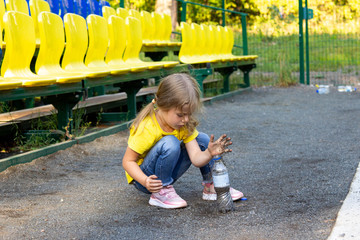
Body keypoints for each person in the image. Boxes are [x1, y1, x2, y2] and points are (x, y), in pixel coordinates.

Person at [122, 73, 244, 209]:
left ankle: (211, 186)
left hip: (166, 172)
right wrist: (145, 181)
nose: (185, 119)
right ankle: (161, 192)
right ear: (162, 106)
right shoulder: (147, 127)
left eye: (189, 114)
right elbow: (128, 161)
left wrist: (209, 153)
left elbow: (196, 159)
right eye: (180, 115)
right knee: (170, 142)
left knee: (202, 139)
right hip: (146, 180)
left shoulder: (184, 125)